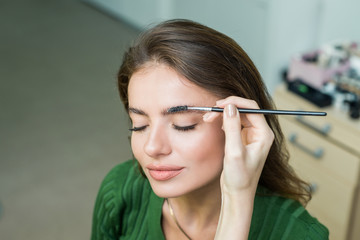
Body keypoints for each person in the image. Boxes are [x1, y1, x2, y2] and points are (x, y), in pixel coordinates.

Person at [91, 19, 329, 239]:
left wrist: (238, 201)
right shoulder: (120, 190)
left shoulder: (299, 234)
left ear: (241, 124)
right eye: (140, 125)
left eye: (183, 125)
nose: (152, 147)